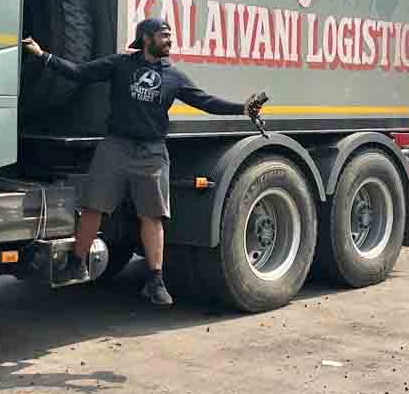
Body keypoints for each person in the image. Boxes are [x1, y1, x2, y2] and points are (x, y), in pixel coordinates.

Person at [22, 18, 265, 306]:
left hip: (152, 153)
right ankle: (77, 263)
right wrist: (42, 55)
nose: (169, 40)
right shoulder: (121, 65)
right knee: (93, 208)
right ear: (146, 38)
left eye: (170, 35)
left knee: (152, 217)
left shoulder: (174, 77)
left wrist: (242, 109)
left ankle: (155, 280)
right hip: (115, 147)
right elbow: (79, 73)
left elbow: (206, 102)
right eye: (164, 35)